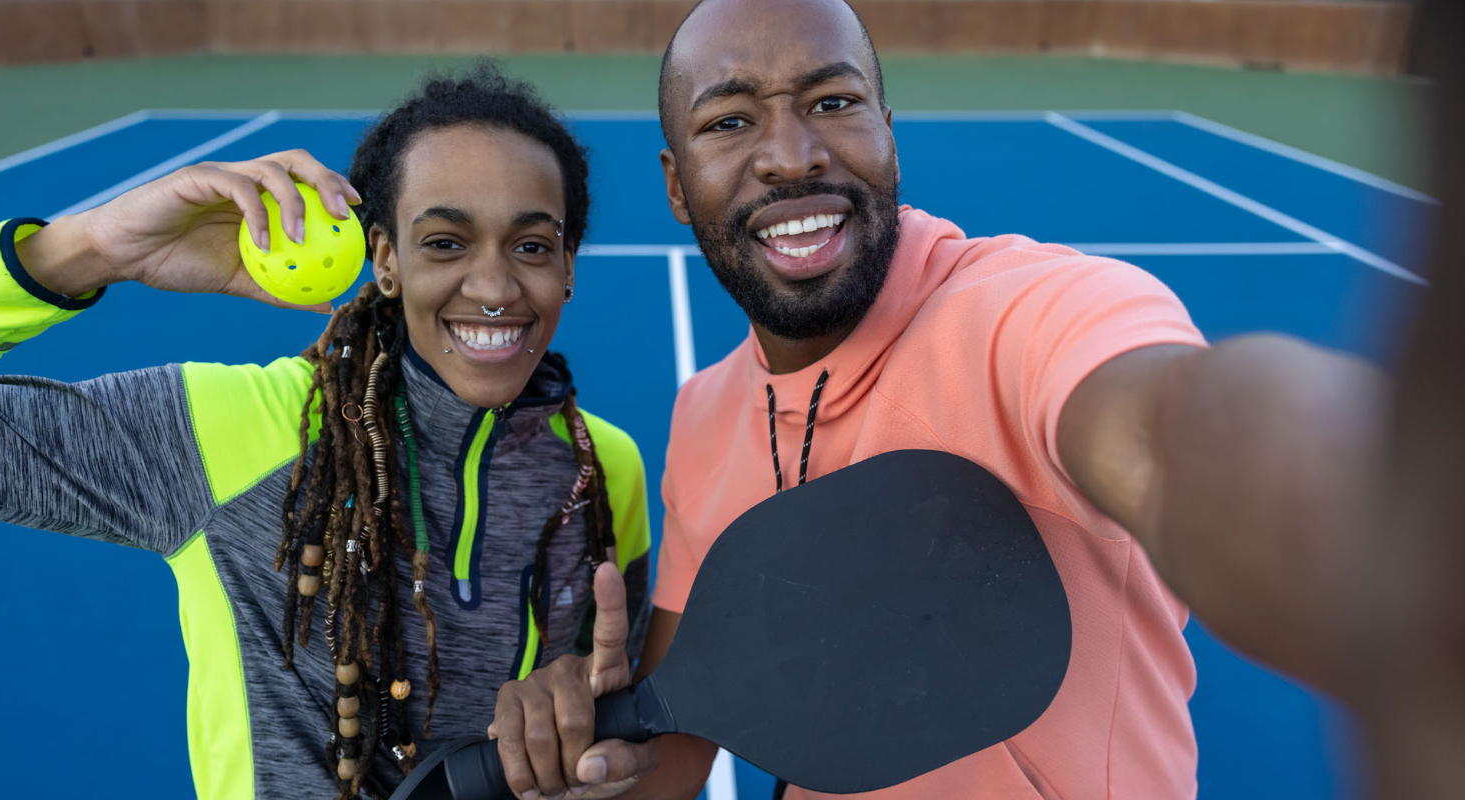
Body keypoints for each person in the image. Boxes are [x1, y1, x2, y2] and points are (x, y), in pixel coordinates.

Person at [487, 1, 1426, 798]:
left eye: (833, 101)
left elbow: (1184, 431)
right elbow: (683, 742)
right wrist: (597, 755)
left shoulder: (1034, 315)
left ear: (887, 129)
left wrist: (1395, 542)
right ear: (675, 186)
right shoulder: (703, 415)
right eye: (729, 122)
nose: (790, 154)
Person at [0, 65, 652, 800]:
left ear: (570, 265)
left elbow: (626, 728)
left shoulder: (604, 467)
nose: (492, 286)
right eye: (444, 242)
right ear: (384, 259)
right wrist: (88, 248)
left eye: (532, 245)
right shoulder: (222, 431)